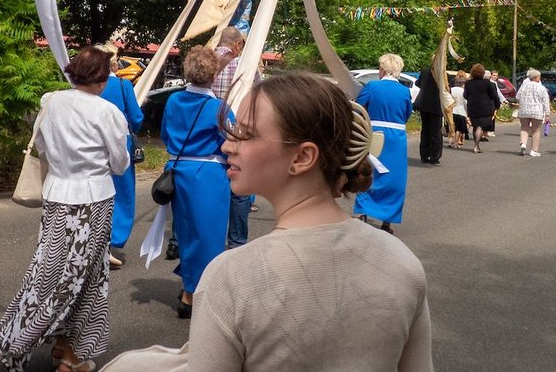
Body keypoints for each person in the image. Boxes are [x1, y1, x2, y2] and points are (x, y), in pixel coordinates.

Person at [101, 73, 433, 372]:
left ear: (302, 157)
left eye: (244, 134)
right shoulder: (402, 262)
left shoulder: (230, 275)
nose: (228, 144)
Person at [0, 46, 129, 372]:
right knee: (84, 280)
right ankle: (40, 345)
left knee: (51, 270)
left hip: (57, 195)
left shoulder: (50, 102)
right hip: (92, 200)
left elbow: (42, 148)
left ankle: (64, 348)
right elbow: (120, 165)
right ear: (103, 77)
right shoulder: (107, 112)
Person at [160, 46, 232, 319]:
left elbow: (166, 135)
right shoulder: (219, 107)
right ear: (214, 74)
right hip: (209, 174)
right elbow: (230, 142)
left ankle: (190, 286)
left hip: (179, 170)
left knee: (188, 232)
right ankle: (194, 293)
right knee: (210, 236)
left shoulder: (173, 101)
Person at [95, 42, 144, 270]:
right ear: (115, 61)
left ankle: (93, 240)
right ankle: (111, 242)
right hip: (119, 143)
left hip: (93, 143)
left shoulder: (89, 86)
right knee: (122, 194)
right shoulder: (124, 86)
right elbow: (136, 118)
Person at [353, 53, 414, 234]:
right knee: (394, 178)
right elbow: (407, 114)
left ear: (383, 69)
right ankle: (387, 221)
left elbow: (359, 107)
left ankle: (363, 212)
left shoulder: (372, 86)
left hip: (374, 134)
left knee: (367, 170)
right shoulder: (404, 91)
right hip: (396, 138)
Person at [211, 27, 258, 249]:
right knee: (239, 190)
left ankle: (201, 236)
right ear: (238, 45)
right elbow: (260, 91)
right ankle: (237, 241)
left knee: (211, 186)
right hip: (237, 130)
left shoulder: (207, 60)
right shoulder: (243, 65)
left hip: (209, 127)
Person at [463, 63, 500, 153]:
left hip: (472, 107)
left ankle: (476, 144)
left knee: (476, 125)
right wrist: (497, 105)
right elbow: (493, 95)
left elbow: (465, 95)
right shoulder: (487, 83)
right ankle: (476, 146)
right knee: (480, 126)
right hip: (484, 107)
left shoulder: (468, 83)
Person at [413, 65, 444, 165]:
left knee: (425, 130)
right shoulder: (442, 74)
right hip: (436, 104)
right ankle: (435, 156)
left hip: (424, 103)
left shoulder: (425, 71)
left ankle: (424, 155)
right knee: (436, 131)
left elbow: (418, 83)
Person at [515, 68, 550, 157]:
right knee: (536, 131)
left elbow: (517, 97)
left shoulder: (524, 86)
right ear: (536, 77)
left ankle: (523, 144)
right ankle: (534, 150)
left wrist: (522, 103)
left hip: (524, 110)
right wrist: (547, 114)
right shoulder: (541, 87)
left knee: (524, 128)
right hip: (537, 111)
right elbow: (546, 101)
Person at [451, 73, 468, 149]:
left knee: (452, 127)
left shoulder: (451, 90)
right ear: (463, 84)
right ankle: (455, 142)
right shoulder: (463, 91)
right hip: (461, 111)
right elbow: (465, 103)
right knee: (459, 129)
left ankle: (450, 141)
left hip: (452, 111)